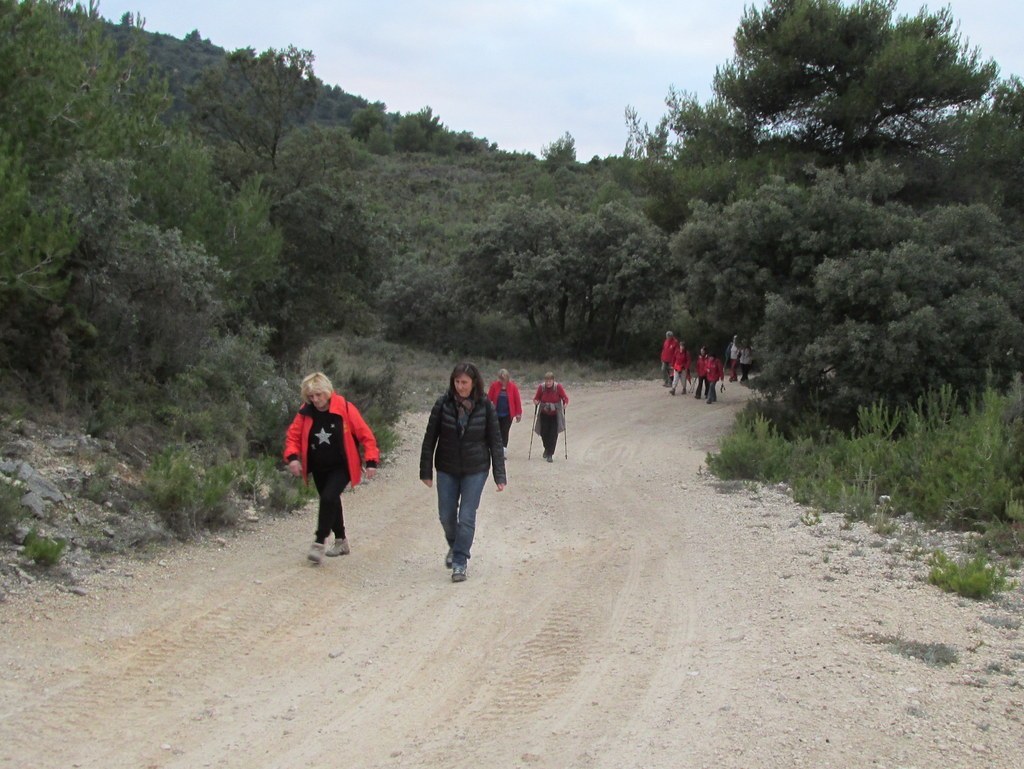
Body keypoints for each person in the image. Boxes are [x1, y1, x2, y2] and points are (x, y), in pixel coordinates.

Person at [420, 362, 506, 583]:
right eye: (457, 382)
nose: (460, 387)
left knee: (466, 516)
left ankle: (460, 561)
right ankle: (455, 544)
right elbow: (430, 439)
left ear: (474, 382)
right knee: (446, 515)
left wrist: (499, 476)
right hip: (447, 467)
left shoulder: (486, 406)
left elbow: (495, 442)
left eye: (464, 382)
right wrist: (425, 470)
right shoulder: (442, 404)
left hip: (475, 469)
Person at [284, 372, 380, 565]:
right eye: (311, 396)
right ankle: (341, 541)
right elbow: (293, 436)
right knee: (331, 500)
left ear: (327, 391)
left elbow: (365, 434)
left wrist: (371, 460)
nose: (316, 400)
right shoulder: (305, 412)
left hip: (342, 466)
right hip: (319, 466)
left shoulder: (344, 408)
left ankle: (319, 542)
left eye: (318, 395)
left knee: (328, 497)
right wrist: (293, 457)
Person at [487, 368, 523, 459]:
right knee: (495, 432)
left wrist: (518, 413)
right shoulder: (494, 386)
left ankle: (503, 451)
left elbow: (517, 401)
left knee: (504, 432)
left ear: (507, 378)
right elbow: (488, 399)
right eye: (500, 378)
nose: (502, 381)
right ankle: (495, 450)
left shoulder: (513, 387)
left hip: (508, 414)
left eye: (504, 378)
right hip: (496, 413)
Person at [533, 372, 569, 462]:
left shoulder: (558, 387)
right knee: (544, 433)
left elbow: (565, 397)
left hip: (555, 414)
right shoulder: (541, 387)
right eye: (547, 381)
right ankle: (546, 448)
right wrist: (536, 401)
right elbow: (536, 398)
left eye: (550, 381)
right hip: (544, 413)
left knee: (553, 434)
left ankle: (550, 454)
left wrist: (565, 403)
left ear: (553, 380)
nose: (548, 383)